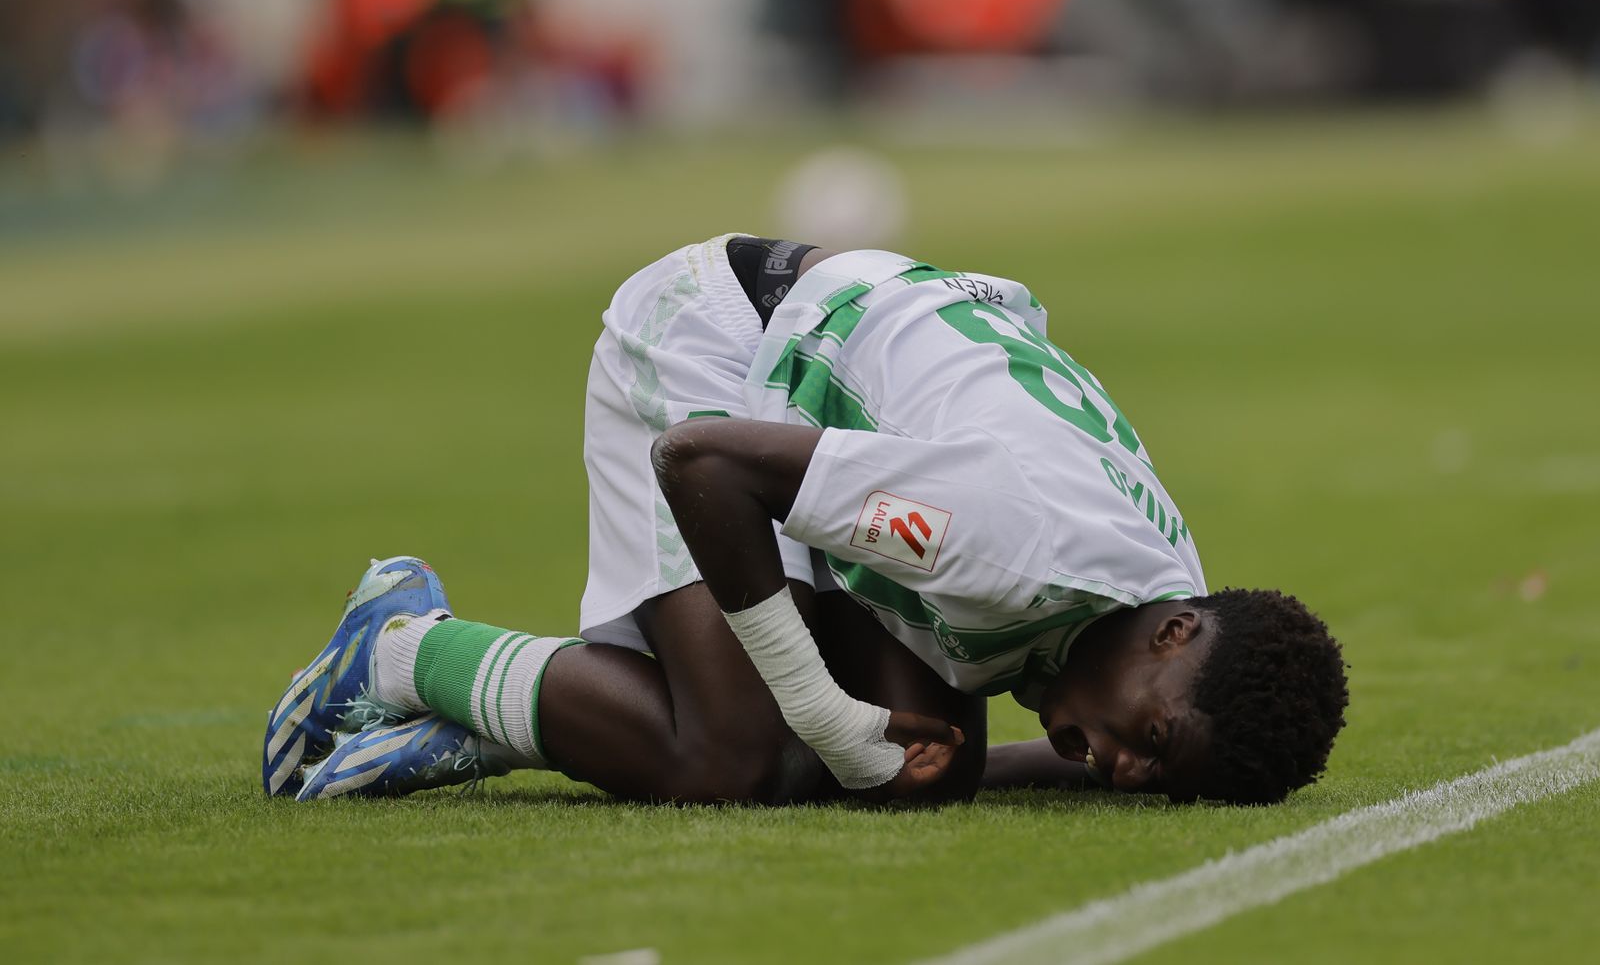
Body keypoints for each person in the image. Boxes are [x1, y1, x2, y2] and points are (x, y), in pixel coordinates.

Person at [262, 235, 1348, 806]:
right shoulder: (1007, 545)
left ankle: (522, 725)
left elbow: (1081, 735)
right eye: (1149, 745)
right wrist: (818, 711)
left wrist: (931, 754)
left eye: (1161, 786)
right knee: (730, 755)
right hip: (717, 353)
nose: (1120, 775)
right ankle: (403, 652)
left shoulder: (1162, 589)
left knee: (926, 774)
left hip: (838, 392)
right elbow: (706, 465)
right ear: (1173, 634)